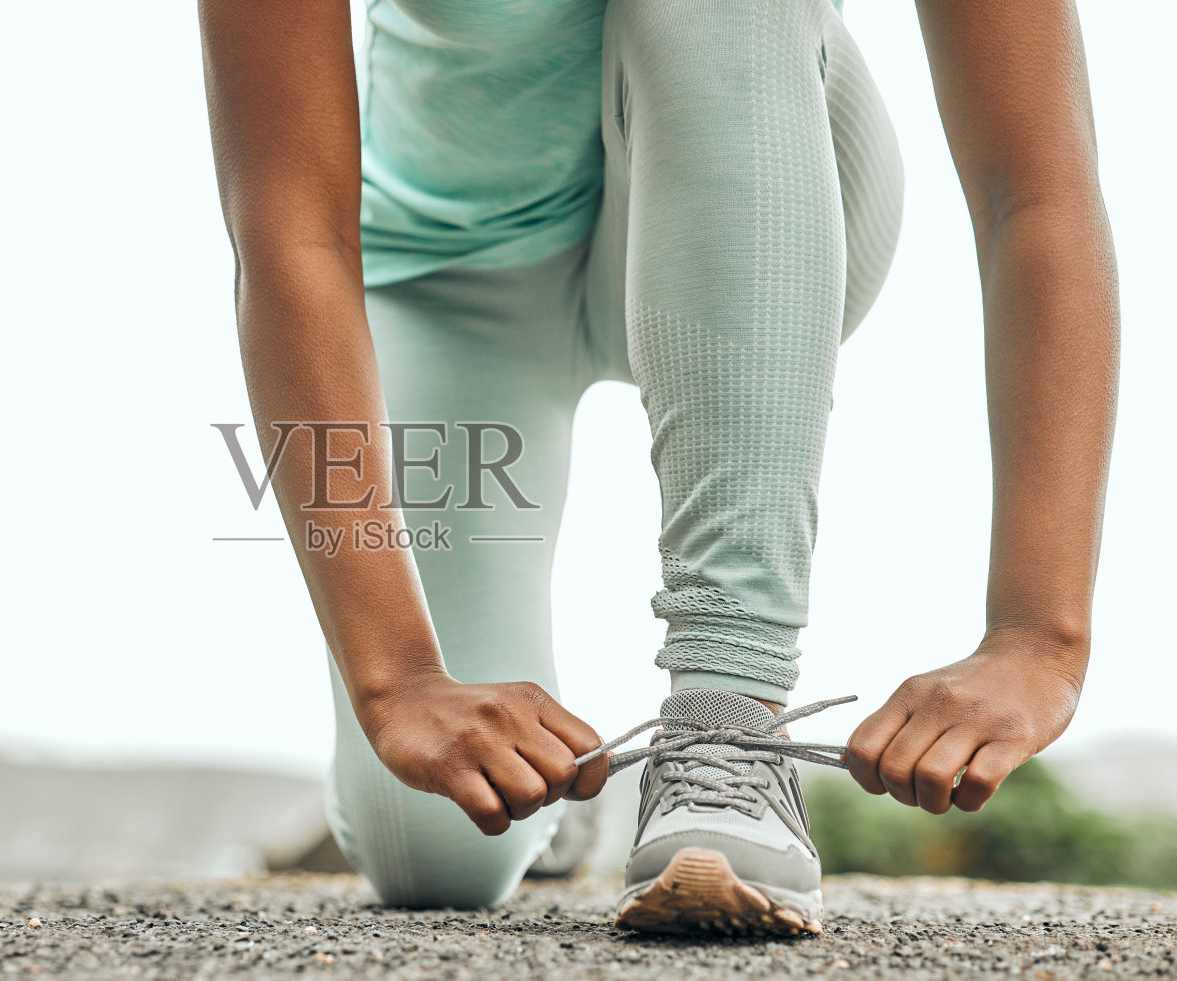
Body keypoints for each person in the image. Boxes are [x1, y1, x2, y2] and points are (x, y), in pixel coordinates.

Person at [198, 0, 1117, 934]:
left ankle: (728, 725)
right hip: (450, 281)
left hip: (760, 183)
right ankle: (568, 811)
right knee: (433, 848)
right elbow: (289, 234)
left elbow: (1035, 191)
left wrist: (1039, 637)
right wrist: (393, 678)